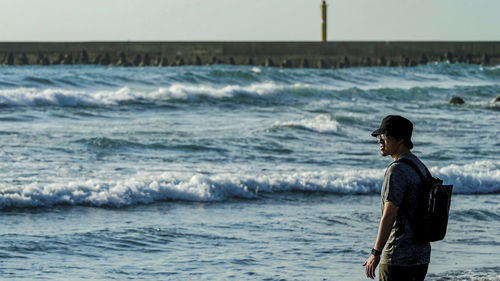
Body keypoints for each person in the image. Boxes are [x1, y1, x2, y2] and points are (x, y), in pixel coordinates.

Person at [362, 115, 430, 281]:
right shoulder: (420, 166)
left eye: (384, 135)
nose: (380, 140)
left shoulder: (397, 170)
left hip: (398, 258)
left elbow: (390, 215)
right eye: (379, 136)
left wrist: (375, 253)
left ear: (400, 139)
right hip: (421, 256)